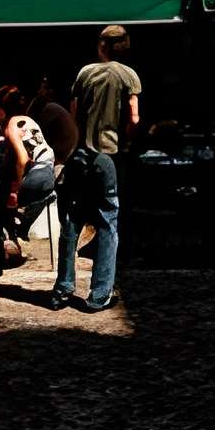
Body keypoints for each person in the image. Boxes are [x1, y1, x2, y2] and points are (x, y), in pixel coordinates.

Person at [52, 25, 140, 315]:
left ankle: (63, 289)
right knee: (107, 221)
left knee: (71, 220)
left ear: (102, 46)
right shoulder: (129, 76)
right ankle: (98, 295)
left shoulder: (85, 73)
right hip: (108, 155)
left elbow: (73, 114)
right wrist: (126, 138)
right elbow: (134, 118)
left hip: (80, 154)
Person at [0, 83, 57, 264]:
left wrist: (15, 190)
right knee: (5, 183)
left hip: (35, 181)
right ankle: (16, 232)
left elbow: (22, 159)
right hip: (49, 175)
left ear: (1, 107)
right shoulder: (28, 120)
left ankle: (9, 237)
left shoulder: (11, 126)